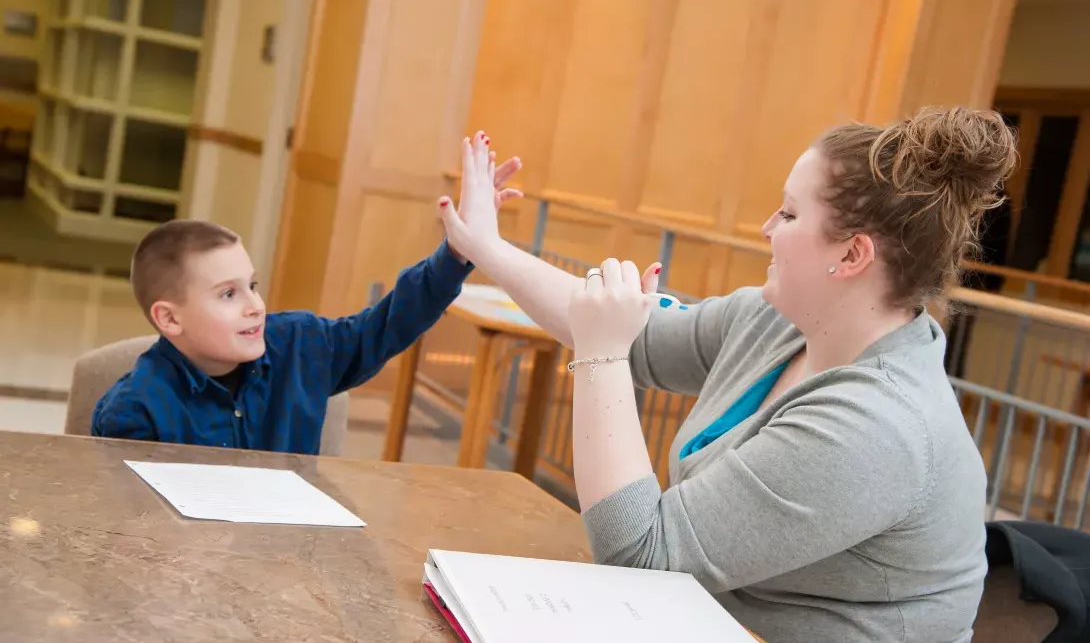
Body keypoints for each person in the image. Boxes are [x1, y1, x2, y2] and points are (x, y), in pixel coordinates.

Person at [439, 108, 1018, 643]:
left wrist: (601, 357)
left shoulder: (877, 428)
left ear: (851, 256)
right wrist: (487, 246)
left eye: (790, 213)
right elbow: (631, 332)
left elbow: (643, 556)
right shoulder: (780, 321)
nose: (767, 226)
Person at [91, 132, 522, 453]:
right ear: (169, 319)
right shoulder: (134, 412)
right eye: (228, 294)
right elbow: (133, 536)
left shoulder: (300, 345)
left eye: (252, 286)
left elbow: (389, 323)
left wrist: (457, 251)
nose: (255, 306)